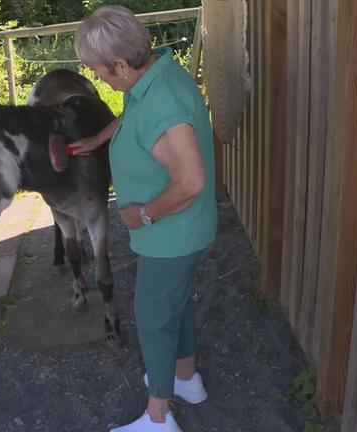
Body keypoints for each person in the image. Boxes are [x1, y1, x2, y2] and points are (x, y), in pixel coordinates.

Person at [70, 5, 217, 432]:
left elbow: (190, 182)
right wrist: (101, 136)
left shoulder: (162, 103)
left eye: (99, 73)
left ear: (120, 64)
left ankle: (158, 418)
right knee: (175, 307)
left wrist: (144, 215)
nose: (99, 79)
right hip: (184, 232)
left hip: (170, 234)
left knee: (152, 316)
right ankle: (187, 380)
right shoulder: (155, 75)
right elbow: (134, 111)